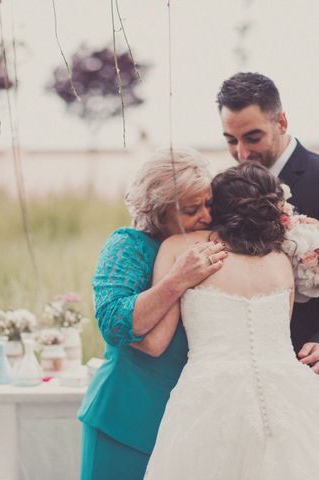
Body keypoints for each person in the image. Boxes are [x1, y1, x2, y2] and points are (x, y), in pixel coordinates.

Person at [143, 162, 319, 479]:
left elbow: (154, 339)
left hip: (209, 397)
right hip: (291, 394)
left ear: (218, 207)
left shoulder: (181, 248)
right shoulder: (282, 262)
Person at [216, 72, 319, 416]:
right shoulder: (224, 191)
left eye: (252, 137)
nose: (241, 153)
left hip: (312, 375)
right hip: (243, 382)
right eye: (231, 140)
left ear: (282, 121)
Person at [78, 147, 229, 480]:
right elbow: (115, 323)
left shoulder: (209, 246)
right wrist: (177, 279)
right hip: (125, 415)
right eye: (192, 209)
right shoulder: (126, 245)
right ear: (158, 210)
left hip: (188, 417)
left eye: (209, 205)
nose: (205, 216)